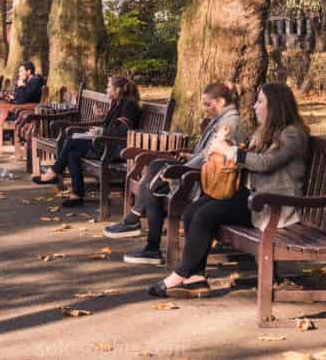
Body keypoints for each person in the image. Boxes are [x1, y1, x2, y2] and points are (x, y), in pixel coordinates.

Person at [147, 83, 309, 298]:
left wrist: (230, 151)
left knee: (206, 215)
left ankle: (180, 274)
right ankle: (196, 279)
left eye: (260, 102)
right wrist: (229, 145)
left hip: (274, 206)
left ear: (276, 106)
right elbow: (248, 158)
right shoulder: (265, 132)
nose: (254, 106)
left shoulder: (292, 135)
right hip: (257, 199)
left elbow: (266, 163)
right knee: (194, 210)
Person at [104, 82, 248, 266]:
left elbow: (212, 158)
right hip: (199, 173)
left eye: (207, 104)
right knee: (156, 171)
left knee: (156, 179)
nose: (205, 109)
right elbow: (207, 154)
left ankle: (147, 239)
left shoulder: (229, 123)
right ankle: (146, 239)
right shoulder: (222, 119)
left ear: (220, 101)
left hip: (204, 182)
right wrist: (188, 157)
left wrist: (181, 169)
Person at [32, 77, 142, 207]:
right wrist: (101, 117)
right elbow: (114, 125)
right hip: (106, 143)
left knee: (71, 143)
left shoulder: (129, 105)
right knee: (72, 151)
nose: (106, 89)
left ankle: (55, 173)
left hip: (115, 149)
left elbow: (123, 132)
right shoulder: (117, 103)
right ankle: (76, 195)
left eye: (108, 87)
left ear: (117, 90)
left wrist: (100, 133)